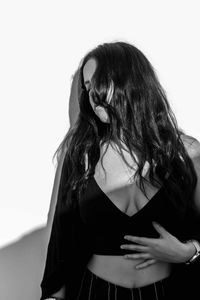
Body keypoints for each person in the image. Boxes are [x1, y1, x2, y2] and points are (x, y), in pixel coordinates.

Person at [40, 41, 200, 300]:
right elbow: (61, 241)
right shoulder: (82, 154)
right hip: (94, 292)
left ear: (130, 80)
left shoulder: (187, 152)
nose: (92, 95)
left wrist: (189, 252)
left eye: (99, 82)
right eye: (87, 86)